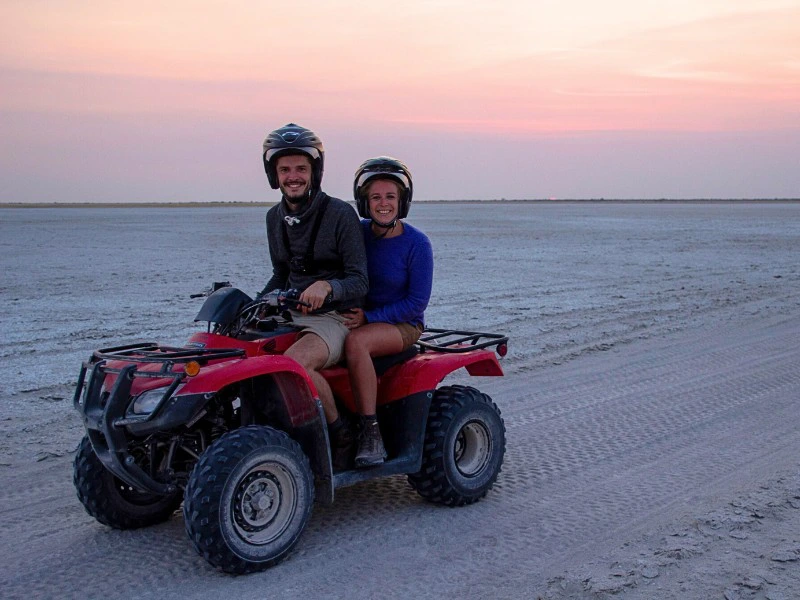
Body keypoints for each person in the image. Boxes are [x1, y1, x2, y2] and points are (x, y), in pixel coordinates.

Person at [260, 123, 368, 470]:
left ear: (314, 172)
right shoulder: (274, 218)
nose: (293, 177)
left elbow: (359, 280)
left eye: (301, 169)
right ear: (274, 174)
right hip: (292, 312)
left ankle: (340, 432)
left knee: (294, 364)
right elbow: (280, 273)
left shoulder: (340, 214)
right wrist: (256, 302)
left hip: (334, 317)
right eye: (285, 169)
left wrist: (329, 288)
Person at [342, 157, 434, 467]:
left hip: (403, 324)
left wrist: (369, 318)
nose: (383, 204)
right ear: (364, 202)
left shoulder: (417, 244)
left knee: (357, 343)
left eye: (390, 196)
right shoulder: (358, 233)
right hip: (358, 316)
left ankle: (370, 432)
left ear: (402, 201)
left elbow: (416, 303)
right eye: (375, 197)